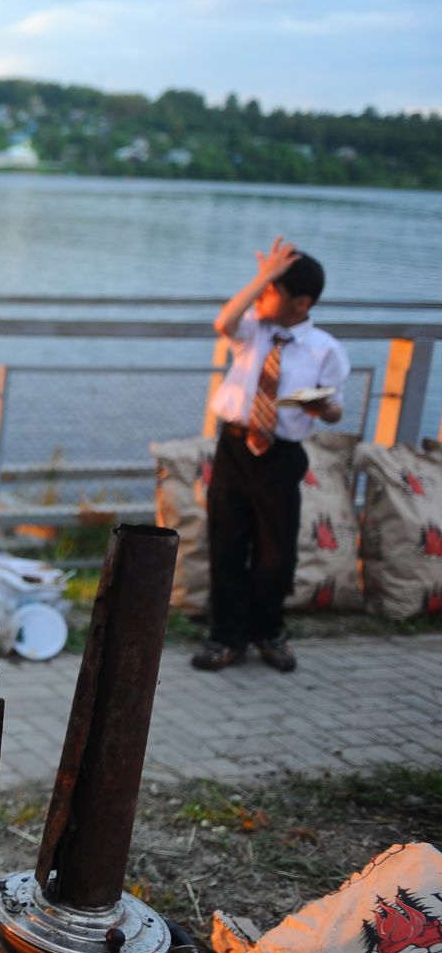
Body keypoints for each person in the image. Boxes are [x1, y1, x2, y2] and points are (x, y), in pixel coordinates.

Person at [194, 236, 349, 673]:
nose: (260, 297)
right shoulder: (252, 330)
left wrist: (324, 406)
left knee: (276, 553)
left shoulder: (325, 349)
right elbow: (224, 320)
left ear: (301, 303)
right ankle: (226, 637)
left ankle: (268, 631)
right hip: (235, 447)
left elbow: (336, 409)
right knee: (226, 544)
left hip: (281, 455)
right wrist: (263, 276)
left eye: (269, 292)